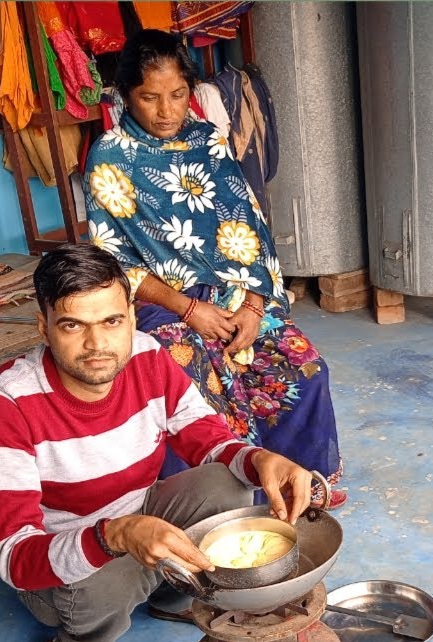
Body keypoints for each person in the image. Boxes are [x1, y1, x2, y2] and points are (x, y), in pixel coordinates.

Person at [0, 244, 315, 642]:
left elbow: (206, 437)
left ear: (132, 318)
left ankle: (174, 587)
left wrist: (258, 459)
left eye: (112, 322)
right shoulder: (8, 399)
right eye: (74, 325)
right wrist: (114, 535)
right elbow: (12, 557)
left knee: (229, 486)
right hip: (63, 561)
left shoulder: (147, 355)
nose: (98, 346)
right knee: (101, 584)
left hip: (138, 513)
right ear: (44, 327)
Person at [82, 29, 347, 510]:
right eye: (149, 97)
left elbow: (251, 227)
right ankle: (219, 506)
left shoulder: (209, 141)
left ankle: (301, 485)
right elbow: (114, 263)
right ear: (125, 97)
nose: (166, 111)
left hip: (234, 294)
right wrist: (189, 310)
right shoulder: (110, 157)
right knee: (199, 384)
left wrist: (251, 304)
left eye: (178, 94)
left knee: (304, 368)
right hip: (162, 304)